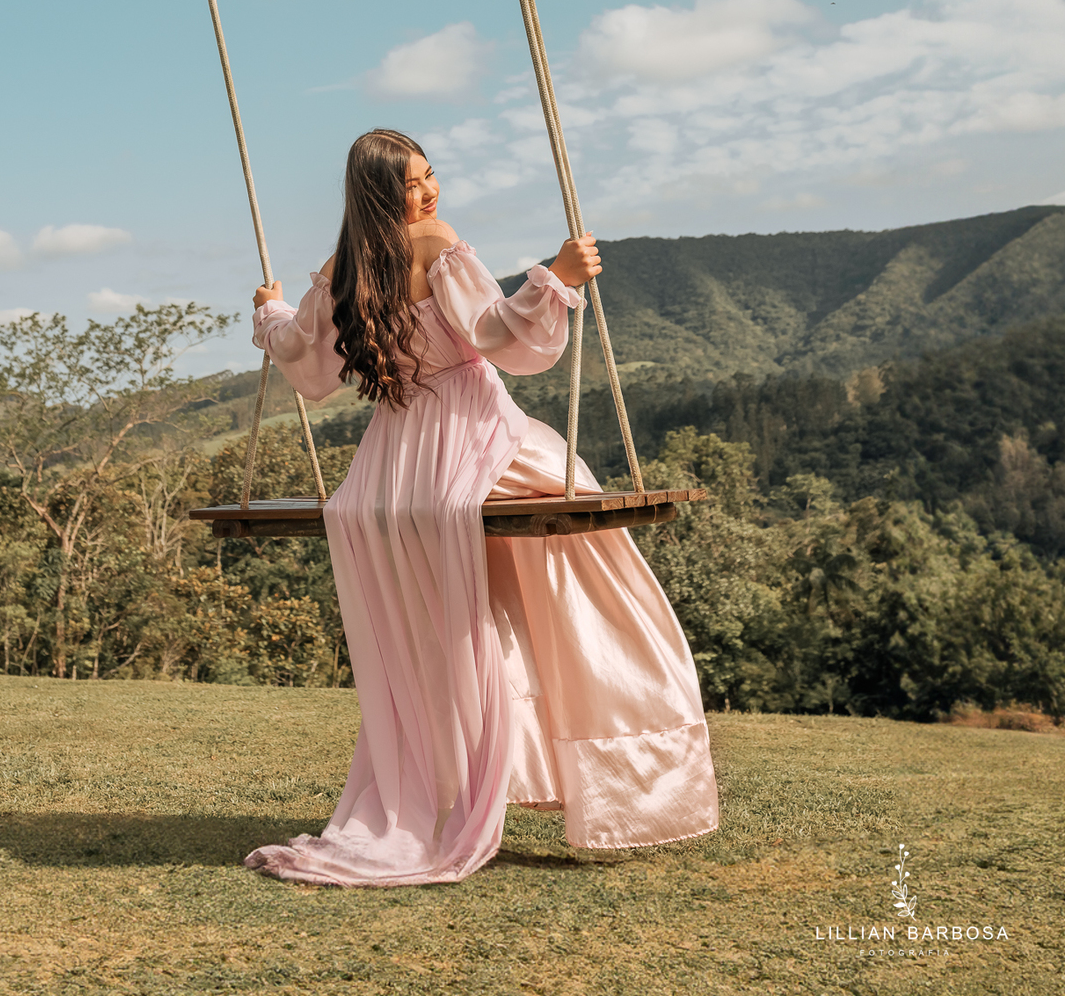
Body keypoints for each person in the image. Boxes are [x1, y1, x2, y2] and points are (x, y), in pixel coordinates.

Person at [244, 128, 718, 888]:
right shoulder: (434, 241)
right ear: (381, 196)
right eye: (410, 184)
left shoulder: (342, 270)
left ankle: (482, 770)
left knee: (444, 622)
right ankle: (608, 761)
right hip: (470, 437)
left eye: (431, 177)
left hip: (392, 468)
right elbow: (496, 336)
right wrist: (556, 279)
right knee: (579, 525)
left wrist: (268, 311)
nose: (428, 194)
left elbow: (307, 360)